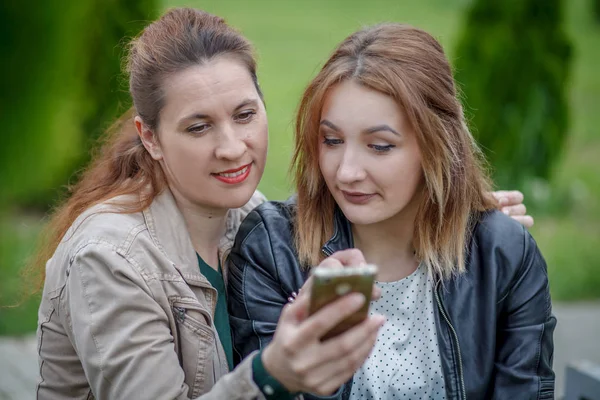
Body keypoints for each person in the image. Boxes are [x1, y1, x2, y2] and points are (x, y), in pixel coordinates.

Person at [33, 8, 386, 399]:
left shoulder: (250, 215)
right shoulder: (108, 258)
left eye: (245, 115)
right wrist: (270, 375)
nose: (233, 148)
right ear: (150, 138)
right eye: (198, 127)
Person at [228, 23, 554, 399]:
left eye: (380, 146)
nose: (346, 171)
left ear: (437, 145)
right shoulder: (272, 249)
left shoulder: (503, 253)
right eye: (331, 140)